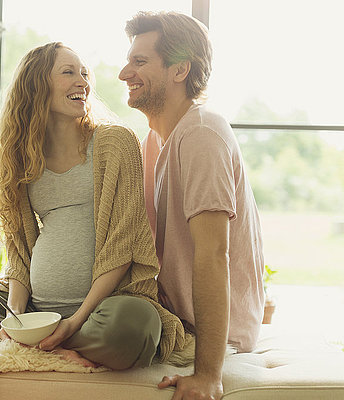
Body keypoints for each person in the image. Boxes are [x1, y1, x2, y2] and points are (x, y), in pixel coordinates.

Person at [0, 42, 190, 370]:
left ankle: (49, 340)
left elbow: (122, 248)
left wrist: (75, 321)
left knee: (134, 328)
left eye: (85, 74)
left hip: (105, 307)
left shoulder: (115, 142)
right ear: (36, 85)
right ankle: (33, 337)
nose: (82, 82)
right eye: (68, 72)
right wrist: (15, 316)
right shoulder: (22, 157)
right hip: (35, 308)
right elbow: (18, 254)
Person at [118, 11, 265, 400]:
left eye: (140, 62)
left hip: (211, 336)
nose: (123, 73)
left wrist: (207, 375)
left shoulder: (201, 132)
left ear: (179, 69)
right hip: (175, 317)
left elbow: (214, 253)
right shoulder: (155, 141)